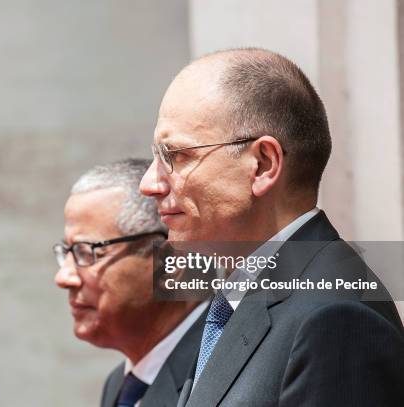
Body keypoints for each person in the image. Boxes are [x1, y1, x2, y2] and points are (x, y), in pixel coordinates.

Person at [139, 48, 404, 406]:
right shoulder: (238, 300)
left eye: (176, 156)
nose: (149, 183)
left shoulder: (335, 320)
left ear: (263, 164)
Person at [54, 159, 210, 407]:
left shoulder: (220, 372)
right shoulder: (121, 383)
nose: (63, 278)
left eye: (86, 251)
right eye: (67, 251)